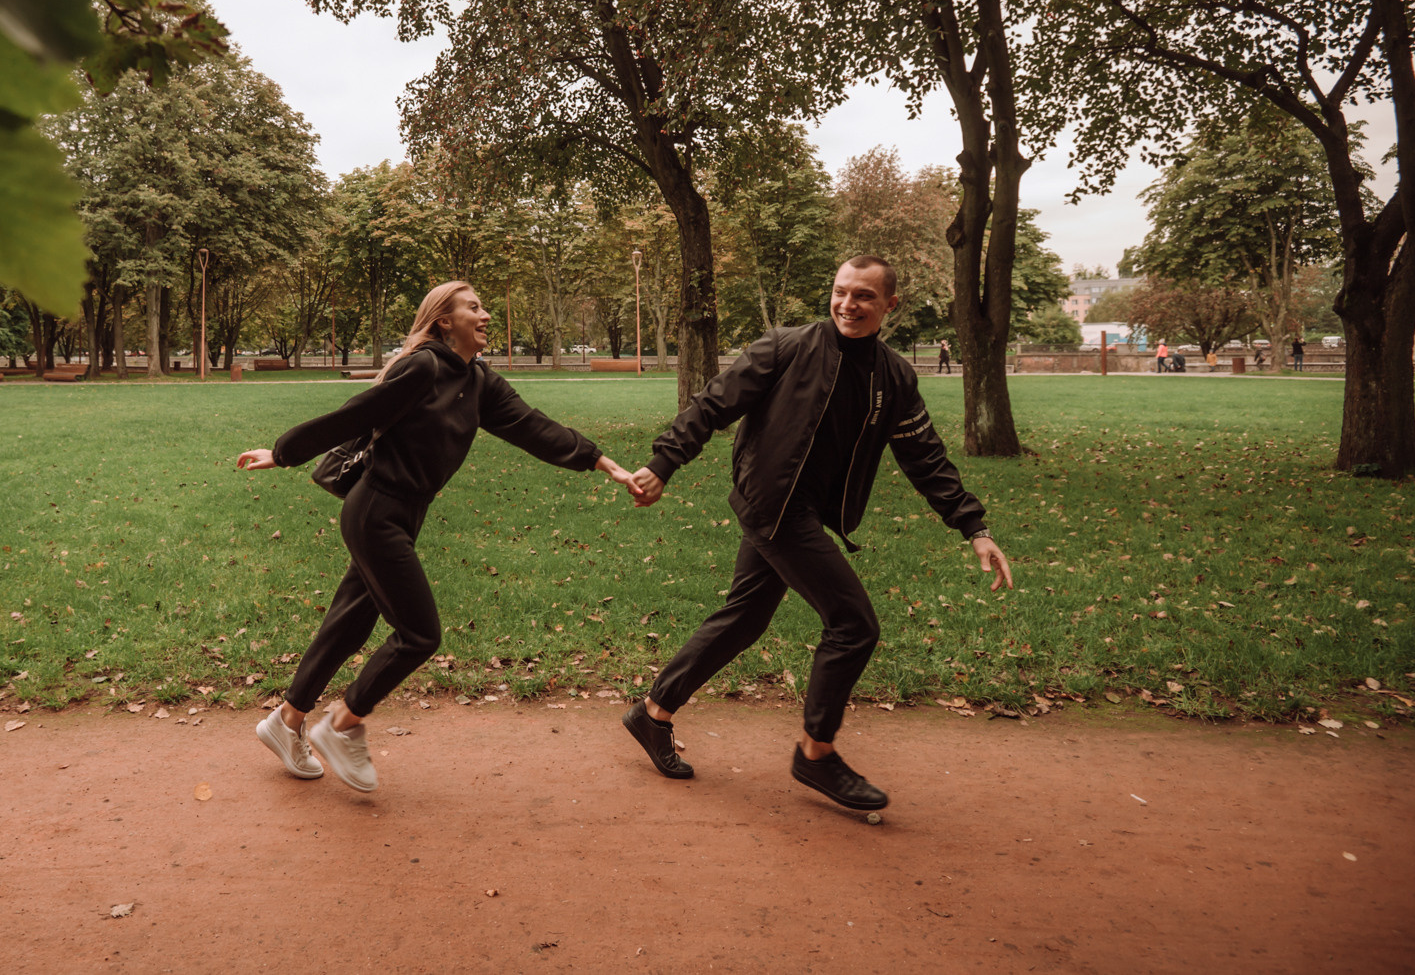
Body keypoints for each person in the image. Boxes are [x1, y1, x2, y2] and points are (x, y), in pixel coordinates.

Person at [618, 256, 1012, 812]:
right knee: (853, 625)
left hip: (806, 512)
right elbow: (712, 404)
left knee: (745, 616)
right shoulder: (785, 347)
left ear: (889, 305)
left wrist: (973, 526)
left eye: (864, 296)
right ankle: (816, 754)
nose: (848, 305)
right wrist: (663, 463)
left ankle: (652, 712)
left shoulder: (894, 376)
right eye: (841, 292)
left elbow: (925, 456)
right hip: (774, 507)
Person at [236, 281, 636, 792]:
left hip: (403, 514)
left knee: (351, 622)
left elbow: (532, 426)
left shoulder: (479, 381)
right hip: (376, 511)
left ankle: (286, 721)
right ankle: (343, 724)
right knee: (420, 635)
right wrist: (284, 451)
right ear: (445, 321)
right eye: (474, 307)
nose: (485, 314)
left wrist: (603, 462)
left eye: (483, 306)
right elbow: (356, 414)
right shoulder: (422, 367)